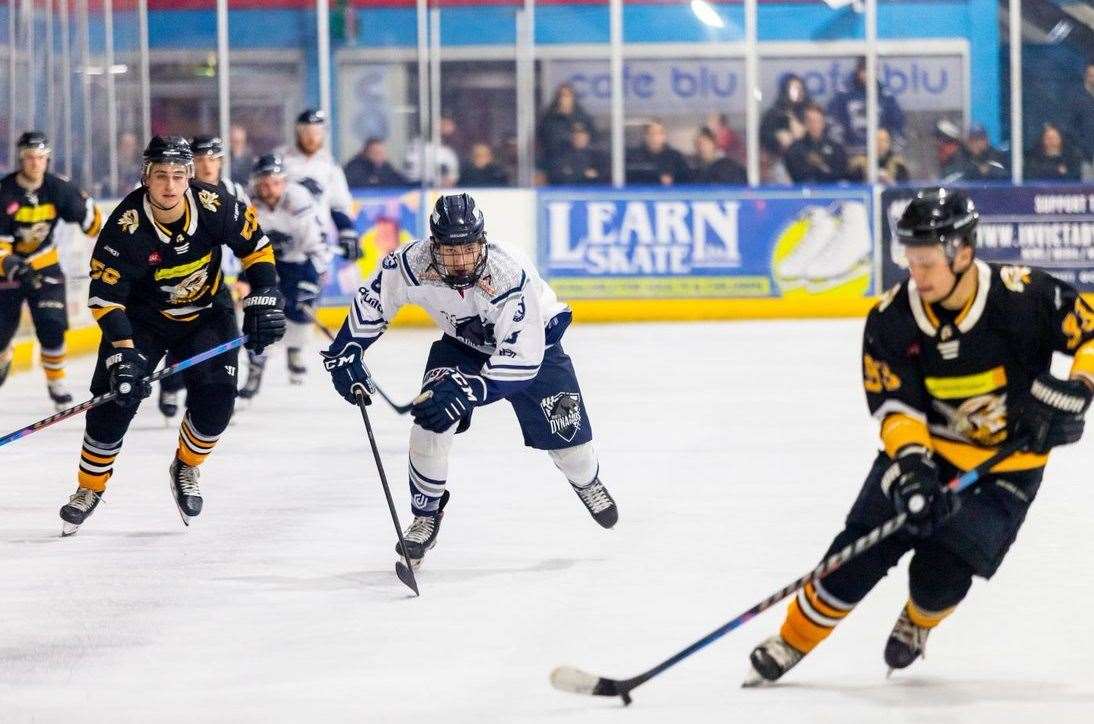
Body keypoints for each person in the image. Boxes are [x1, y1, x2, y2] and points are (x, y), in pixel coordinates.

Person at [744, 188, 1094, 685]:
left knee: (941, 577)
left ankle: (918, 621)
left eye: (928, 262)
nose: (918, 274)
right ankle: (792, 640)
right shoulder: (892, 318)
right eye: (912, 261)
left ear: (963, 252)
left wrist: (1080, 386)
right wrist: (912, 467)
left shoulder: (1025, 296)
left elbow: (1090, 333)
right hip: (924, 454)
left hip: (1006, 469)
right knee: (857, 554)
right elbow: (895, 406)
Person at [320, 193, 619, 568]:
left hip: (536, 347)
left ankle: (586, 481)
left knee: (570, 445)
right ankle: (426, 514)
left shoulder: (510, 273)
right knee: (431, 418)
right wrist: (347, 348)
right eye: (449, 251)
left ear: (483, 242)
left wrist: (471, 389)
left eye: (468, 249)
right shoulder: (411, 262)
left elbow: (523, 359)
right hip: (463, 346)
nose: (460, 261)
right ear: (433, 246)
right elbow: (375, 301)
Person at [57, 136, 286, 536]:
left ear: (189, 177)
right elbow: (105, 298)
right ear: (146, 176)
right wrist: (124, 354)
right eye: (160, 175)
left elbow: (256, 248)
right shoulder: (125, 227)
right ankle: (89, 488)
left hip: (207, 315)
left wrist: (265, 295)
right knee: (112, 404)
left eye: (178, 176)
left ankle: (186, 467)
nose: (169, 185)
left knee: (217, 406)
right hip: (142, 321)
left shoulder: (216, 205)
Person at [0, 131, 103, 409]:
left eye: (40, 158)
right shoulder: (4, 192)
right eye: (30, 158)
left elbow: (94, 225)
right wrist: (13, 267)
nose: (35, 164)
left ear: (47, 159)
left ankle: (56, 383)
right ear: (22, 159)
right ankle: (4, 353)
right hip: (7, 272)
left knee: (52, 325)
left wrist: (89, 211)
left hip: (45, 265)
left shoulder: (58, 188)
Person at [157, 135, 253, 420]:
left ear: (221, 161)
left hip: (226, 277)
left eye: (212, 158)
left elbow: (252, 237)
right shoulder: (181, 194)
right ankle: (171, 382)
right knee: (184, 335)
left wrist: (248, 276)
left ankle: (218, 397)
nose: (207, 165)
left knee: (224, 337)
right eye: (199, 160)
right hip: (187, 276)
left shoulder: (235, 191)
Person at [239, 153, 327, 398]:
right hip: (262, 262)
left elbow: (315, 243)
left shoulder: (298, 198)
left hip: (300, 260)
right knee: (258, 314)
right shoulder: (249, 203)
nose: (269, 189)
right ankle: (256, 367)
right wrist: (244, 276)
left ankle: (295, 348)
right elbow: (243, 243)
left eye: (275, 182)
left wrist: (315, 280)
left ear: (284, 182)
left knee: (301, 310)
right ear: (256, 183)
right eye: (264, 183)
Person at [275, 109, 361, 263]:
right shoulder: (280, 161)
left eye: (317, 132)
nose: (311, 138)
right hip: (283, 241)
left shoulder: (329, 165)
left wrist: (347, 232)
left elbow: (338, 205)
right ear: (298, 132)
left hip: (316, 245)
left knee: (310, 285)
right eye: (306, 132)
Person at [827, 57, 905, 153]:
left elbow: (898, 123)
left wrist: (891, 151)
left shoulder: (885, 95)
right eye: (864, 70)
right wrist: (841, 149)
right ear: (858, 70)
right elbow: (833, 119)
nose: (868, 74)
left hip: (880, 153)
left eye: (872, 70)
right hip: (852, 152)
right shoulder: (843, 95)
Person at [784, 104, 849, 183]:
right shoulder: (795, 149)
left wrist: (820, 165)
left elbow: (840, 173)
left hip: (831, 192)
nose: (814, 125)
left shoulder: (836, 148)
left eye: (818, 121)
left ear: (823, 123)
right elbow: (799, 175)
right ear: (805, 123)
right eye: (811, 121)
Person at [538, 83, 596, 165]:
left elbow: (594, 140)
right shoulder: (549, 119)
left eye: (567, 95)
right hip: (556, 164)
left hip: (580, 164)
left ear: (573, 97)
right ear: (556, 98)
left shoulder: (583, 117)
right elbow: (544, 142)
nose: (564, 99)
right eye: (561, 95)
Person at [760, 73, 810, 160]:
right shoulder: (773, 114)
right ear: (785, 91)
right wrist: (777, 137)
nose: (800, 92)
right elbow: (763, 137)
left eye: (801, 89)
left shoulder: (810, 111)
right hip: (780, 161)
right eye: (795, 89)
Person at [625, 120, 690, 186]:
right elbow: (627, 178)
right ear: (645, 136)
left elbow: (687, 179)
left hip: (670, 194)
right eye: (652, 133)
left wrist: (672, 181)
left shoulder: (675, 156)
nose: (655, 137)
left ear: (664, 136)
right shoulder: (634, 156)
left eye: (659, 133)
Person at [343, 137, 410, 188]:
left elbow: (400, 182)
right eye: (376, 153)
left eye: (382, 153)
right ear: (366, 153)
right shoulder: (354, 168)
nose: (380, 157)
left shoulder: (385, 167)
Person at [1067, 63, 1093, 171]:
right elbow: (1071, 128)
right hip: (1088, 158)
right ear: (1086, 77)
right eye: (1091, 75)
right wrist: (1084, 150)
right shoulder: (1077, 99)